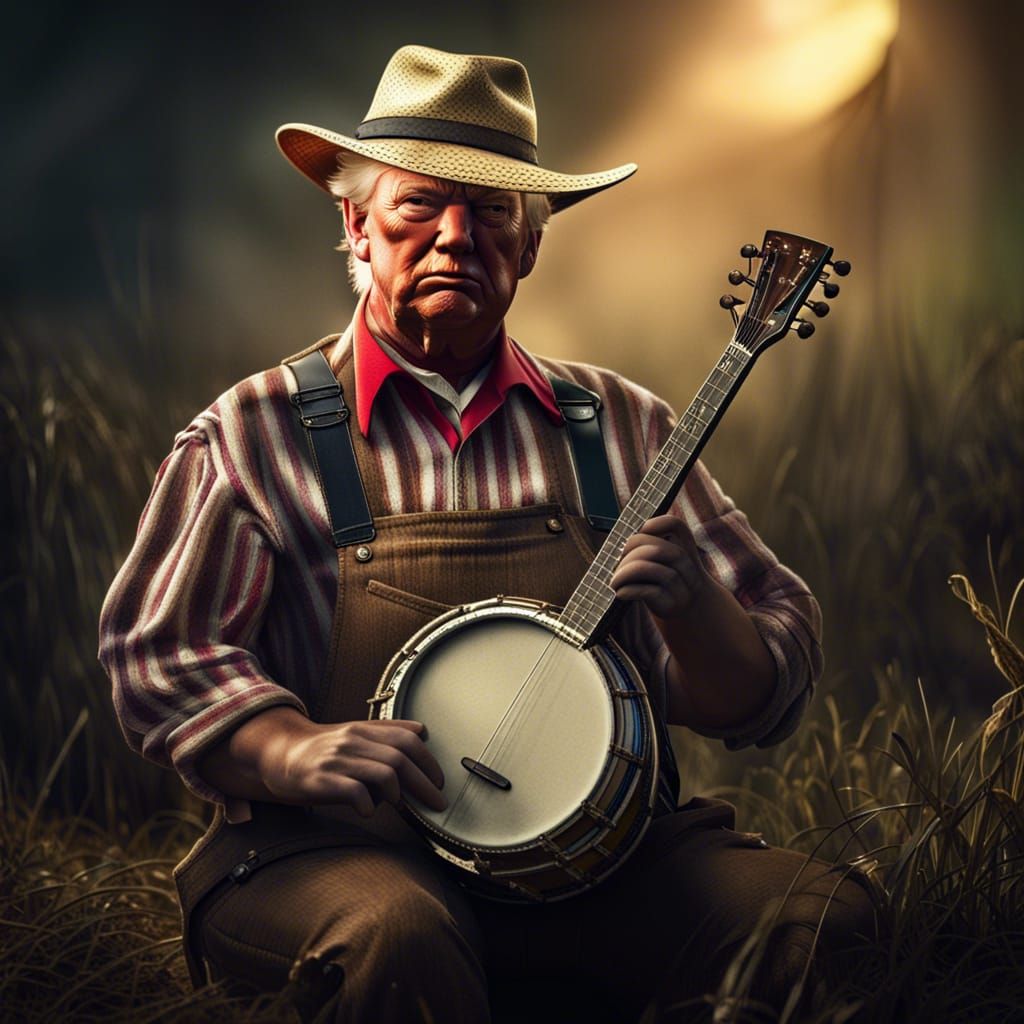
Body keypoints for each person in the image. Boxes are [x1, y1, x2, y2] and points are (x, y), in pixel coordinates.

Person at [100, 44, 874, 1024]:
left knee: (821, 920)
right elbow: (159, 653)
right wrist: (288, 747)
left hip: (600, 863)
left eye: (493, 210)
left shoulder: (622, 425)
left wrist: (693, 607)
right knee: (399, 938)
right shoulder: (252, 432)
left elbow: (762, 691)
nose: (455, 235)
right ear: (357, 223)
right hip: (335, 857)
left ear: (531, 244)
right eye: (419, 204)